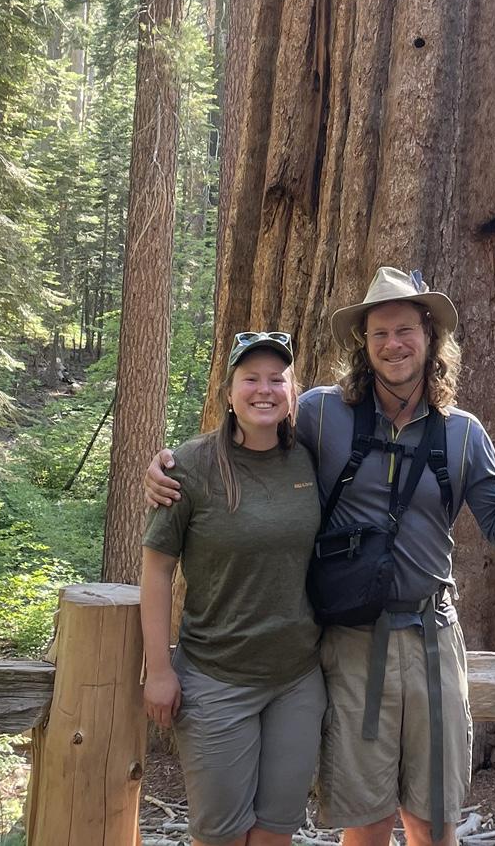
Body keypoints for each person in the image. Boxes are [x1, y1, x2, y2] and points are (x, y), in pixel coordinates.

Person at [147, 267, 495, 846]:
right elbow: (250, 436)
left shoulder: (462, 433)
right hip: (353, 642)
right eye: (379, 332)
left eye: (405, 330)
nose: (393, 344)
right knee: (367, 817)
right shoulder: (320, 414)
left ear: (430, 337)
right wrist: (170, 469)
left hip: (433, 638)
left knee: (434, 819)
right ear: (364, 342)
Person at [141, 331, 326, 846]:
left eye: (277, 379)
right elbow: (156, 571)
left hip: (297, 681)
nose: (264, 390)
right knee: (220, 836)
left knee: (275, 832)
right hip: (215, 679)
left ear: (293, 392)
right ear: (228, 393)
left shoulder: (311, 458)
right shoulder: (189, 466)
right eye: (250, 379)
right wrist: (159, 670)